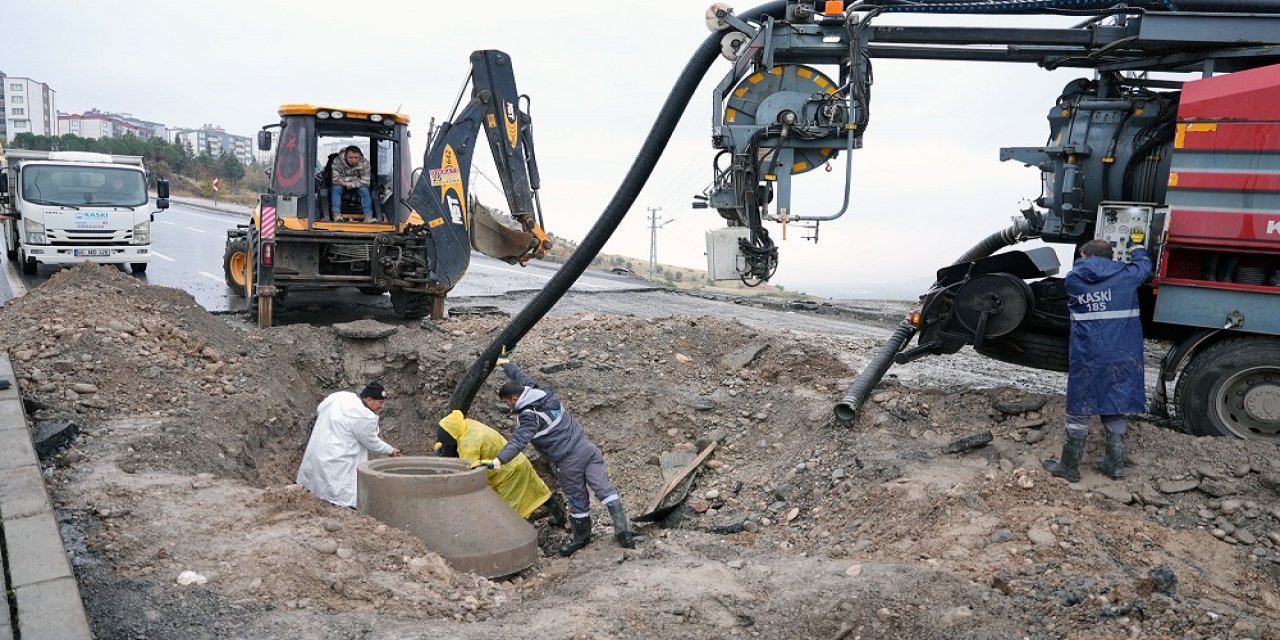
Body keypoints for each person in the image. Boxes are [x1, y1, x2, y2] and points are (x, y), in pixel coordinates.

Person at [478, 356, 644, 556]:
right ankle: (624, 533)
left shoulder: (529, 416)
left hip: (568, 461)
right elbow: (522, 378)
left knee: (577, 500)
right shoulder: (542, 393)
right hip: (587, 448)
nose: (508, 406)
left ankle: (581, 539)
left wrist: (498, 461)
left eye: (507, 402)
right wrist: (505, 363)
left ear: (514, 399)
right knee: (606, 490)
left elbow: (518, 441)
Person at [1043, 236, 1151, 482]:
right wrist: (1137, 245)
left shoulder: (1073, 280)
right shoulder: (1128, 275)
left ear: (1084, 255)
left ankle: (1069, 467)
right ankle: (1114, 465)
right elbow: (1144, 266)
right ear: (1110, 256)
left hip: (1088, 355)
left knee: (1080, 406)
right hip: (1124, 353)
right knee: (1114, 401)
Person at [438, 410, 565, 524]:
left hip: (508, 475)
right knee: (539, 491)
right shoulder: (465, 425)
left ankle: (520, 540)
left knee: (509, 515)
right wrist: (444, 448)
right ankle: (560, 518)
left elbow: (467, 472)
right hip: (516, 460)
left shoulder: (469, 444)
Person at [297, 381, 401, 507]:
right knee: (338, 491)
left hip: (320, 448)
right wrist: (390, 450)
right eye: (380, 402)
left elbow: (320, 409)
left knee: (315, 484)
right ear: (369, 399)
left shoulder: (340, 396)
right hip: (339, 457)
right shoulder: (364, 416)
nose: (382, 406)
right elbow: (371, 442)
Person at [330, 146, 376, 222]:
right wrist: (356, 179)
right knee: (336, 188)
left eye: (356, 157)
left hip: (356, 186)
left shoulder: (365, 164)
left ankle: (368, 216)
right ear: (345, 156)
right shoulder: (337, 161)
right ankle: (336, 215)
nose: (353, 160)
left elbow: (366, 182)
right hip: (342, 186)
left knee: (365, 190)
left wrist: (346, 183)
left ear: (360, 156)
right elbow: (336, 180)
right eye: (350, 157)